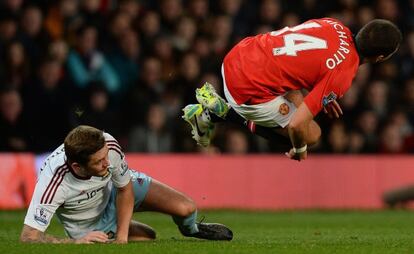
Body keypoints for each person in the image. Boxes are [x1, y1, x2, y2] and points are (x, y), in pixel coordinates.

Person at [182, 18, 402, 160]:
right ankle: (223, 111)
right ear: (381, 57)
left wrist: (322, 92)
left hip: (239, 54)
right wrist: (299, 150)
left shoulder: (334, 24)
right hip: (245, 89)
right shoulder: (342, 75)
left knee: (297, 95)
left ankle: (219, 110)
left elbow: (298, 56)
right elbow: (297, 126)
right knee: (311, 134)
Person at [20, 125, 232, 243]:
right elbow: (29, 237)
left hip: (114, 192)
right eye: (99, 162)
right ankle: (115, 229)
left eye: (106, 156)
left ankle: (192, 230)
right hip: (89, 225)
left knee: (186, 208)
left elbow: (124, 188)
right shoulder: (53, 182)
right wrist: (75, 242)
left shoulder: (108, 145)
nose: (107, 162)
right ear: (77, 167)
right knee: (148, 237)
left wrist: (121, 239)